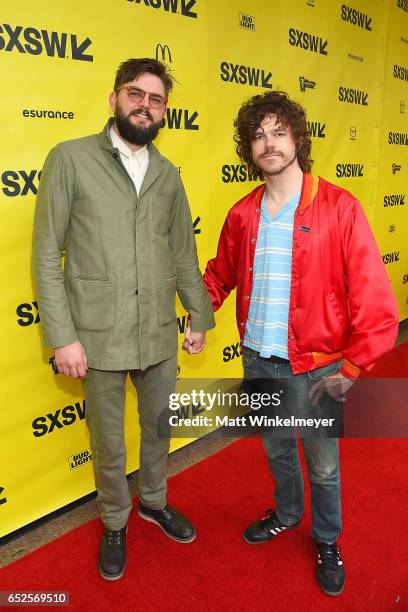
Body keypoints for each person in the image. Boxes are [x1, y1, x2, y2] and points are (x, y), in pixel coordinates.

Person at [191, 90, 398, 596]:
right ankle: (286, 513)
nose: (269, 143)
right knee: (277, 451)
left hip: (317, 368)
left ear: (297, 139)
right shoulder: (243, 213)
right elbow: (218, 275)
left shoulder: (340, 208)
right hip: (259, 358)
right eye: (258, 135)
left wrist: (351, 371)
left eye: (278, 131)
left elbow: (375, 300)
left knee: (323, 464)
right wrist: (200, 314)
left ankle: (327, 539)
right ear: (248, 149)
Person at [33, 58, 214, 581]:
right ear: (114, 99)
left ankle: (154, 503)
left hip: (158, 330)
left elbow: (183, 254)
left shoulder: (167, 173)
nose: (145, 105)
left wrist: (197, 316)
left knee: (159, 429)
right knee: (108, 442)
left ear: (163, 113)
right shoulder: (69, 159)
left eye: (156, 100)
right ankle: (116, 520)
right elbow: (47, 254)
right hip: (97, 335)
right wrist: (62, 337)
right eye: (136, 94)